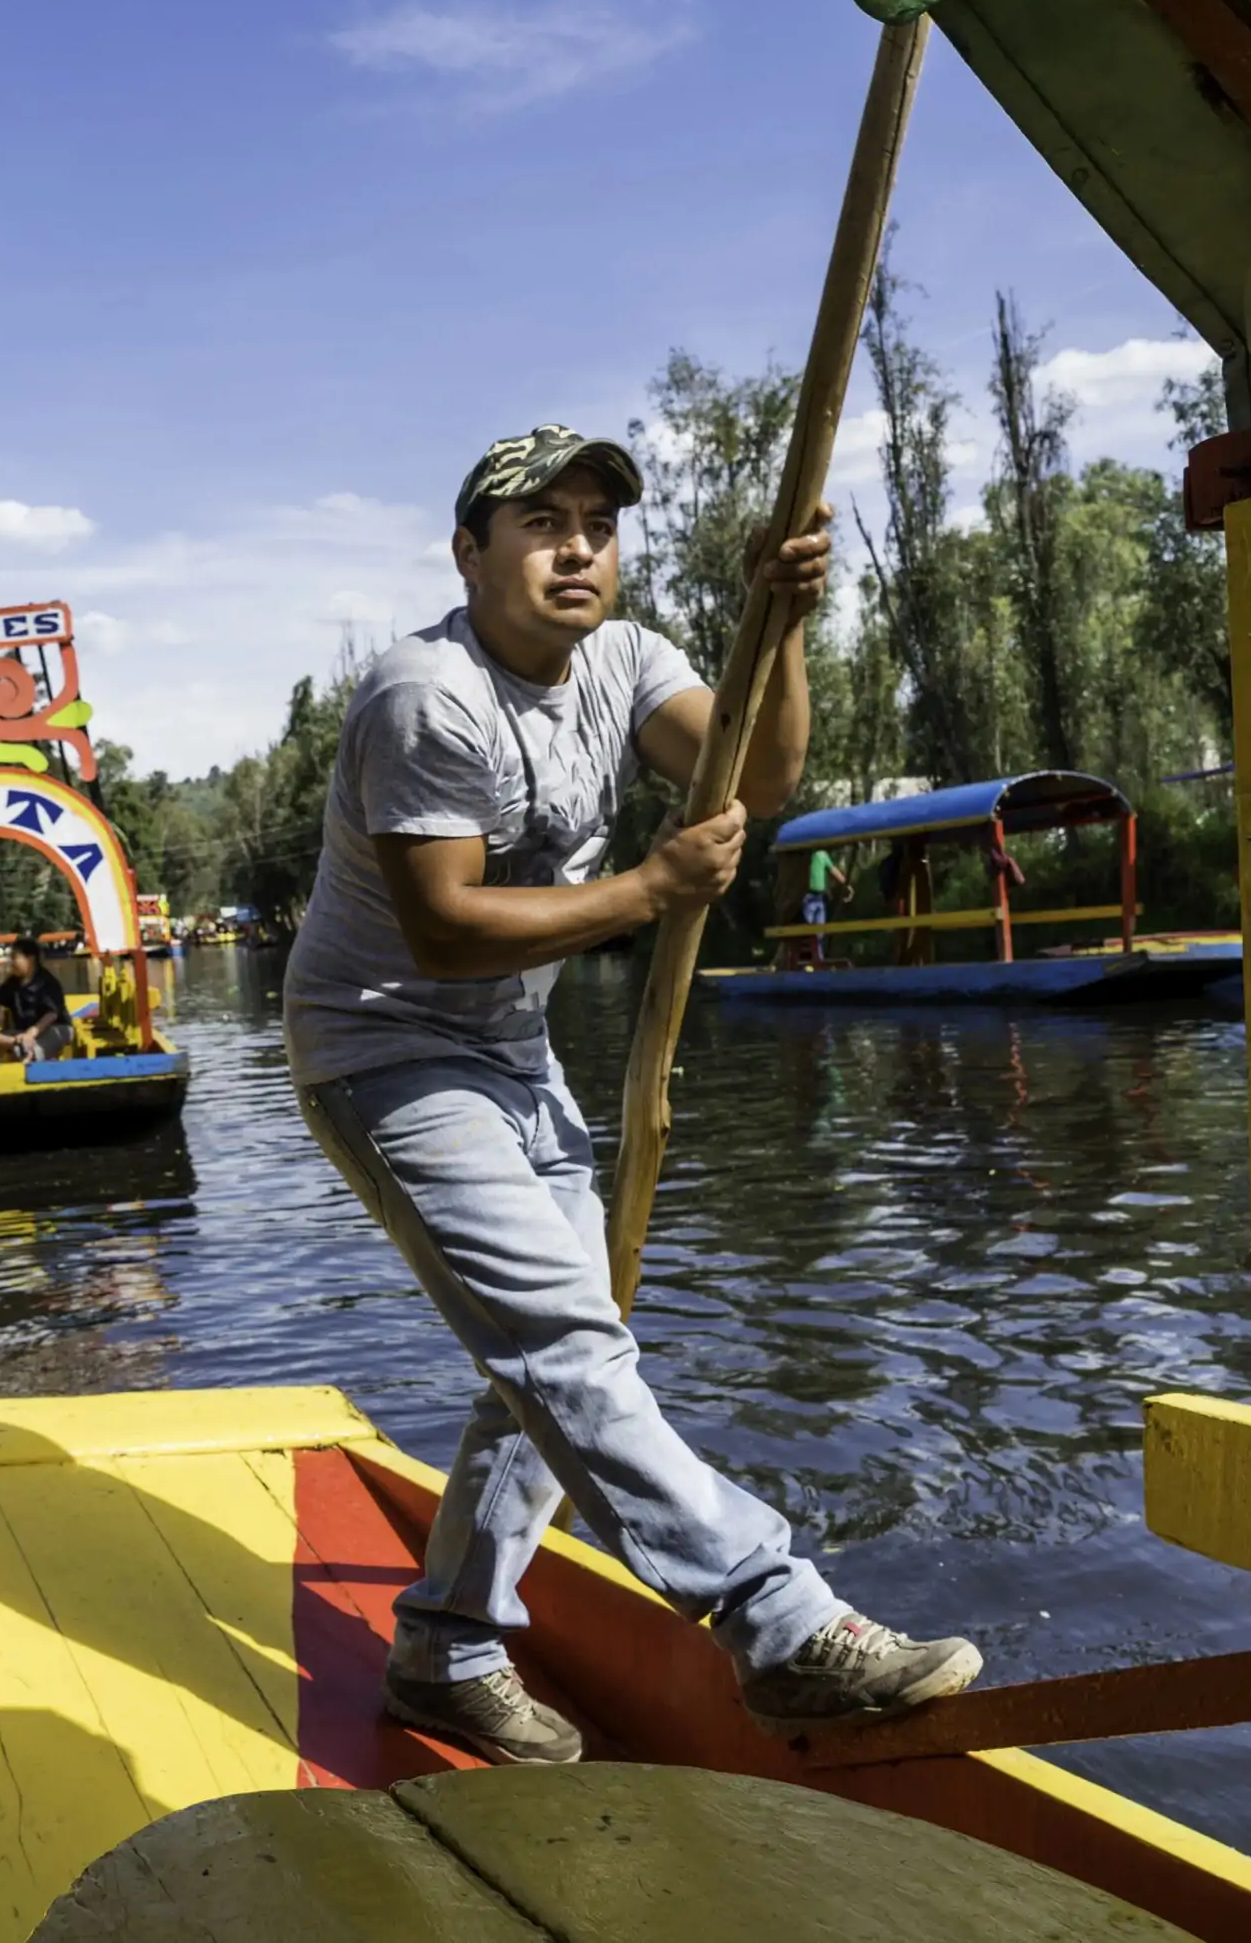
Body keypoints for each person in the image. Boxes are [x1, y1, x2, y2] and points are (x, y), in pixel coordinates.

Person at [284, 423, 980, 1765]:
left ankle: (443, 1645)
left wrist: (773, 628)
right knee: (566, 1343)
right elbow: (441, 926)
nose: (576, 545)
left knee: (557, 1351)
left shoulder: (627, 655)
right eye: (540, 521)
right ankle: (778, 1621)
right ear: (469, 551)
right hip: (385, 1048)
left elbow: (759, 776)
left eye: (597, 521)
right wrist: (654, 892)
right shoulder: (425, 696)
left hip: (507, 1049)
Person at [0, 936, 72, 1063]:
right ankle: (16, 1043)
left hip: (54, 1028)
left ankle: (25, 1051)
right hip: (21, 1033)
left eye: (15, 957)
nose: (11, 962)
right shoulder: (13, 982)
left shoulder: (47, 982)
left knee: (24, 1052)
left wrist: (30, 1034)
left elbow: (51, 1015)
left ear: (30, 959)